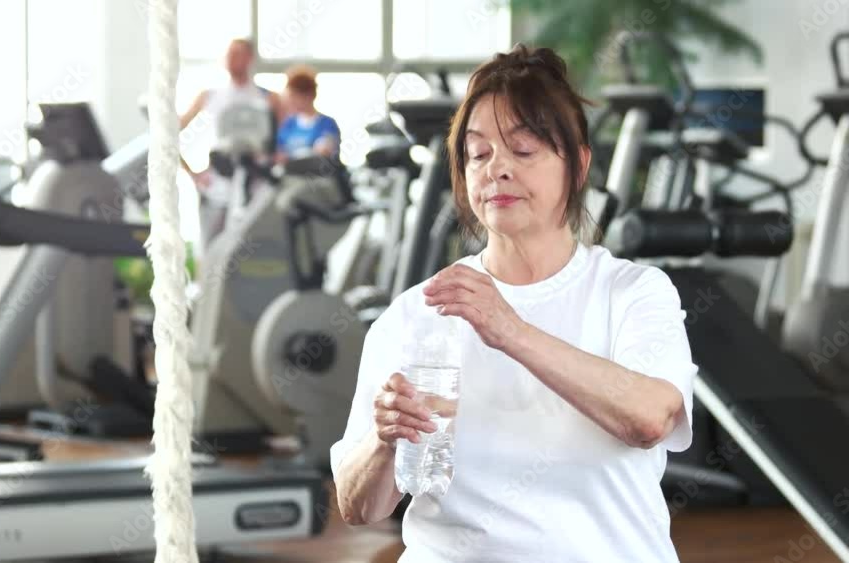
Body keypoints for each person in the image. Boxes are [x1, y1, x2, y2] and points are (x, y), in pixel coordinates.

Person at [330, 44, 696, 562]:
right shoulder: (418, 311)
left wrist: (511, 329)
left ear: (579, 165)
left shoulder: (633, 291)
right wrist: (384, 442)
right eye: (479, 154)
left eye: (522, 150)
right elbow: (356, 506)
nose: (496, 169)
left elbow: (649, 419)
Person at [178, 38, 285, 246]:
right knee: (212, 247)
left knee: (252, 247)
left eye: (237, 54)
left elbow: (281, 143)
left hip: (256, 185)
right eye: (229, 54)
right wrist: (192, 173)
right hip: (217, 184)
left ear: (249, 58)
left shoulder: (268, 98)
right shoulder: (209, 96)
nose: (231, 59)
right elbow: (172, 133)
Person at [275, 65, 341, 163]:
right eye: (291, 96)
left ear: (310, 95)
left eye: (295, 96)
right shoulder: (289, 124)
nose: (292, 101)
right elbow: (279, 152)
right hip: (291, 171)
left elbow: (328, 152)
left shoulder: (327, 124)